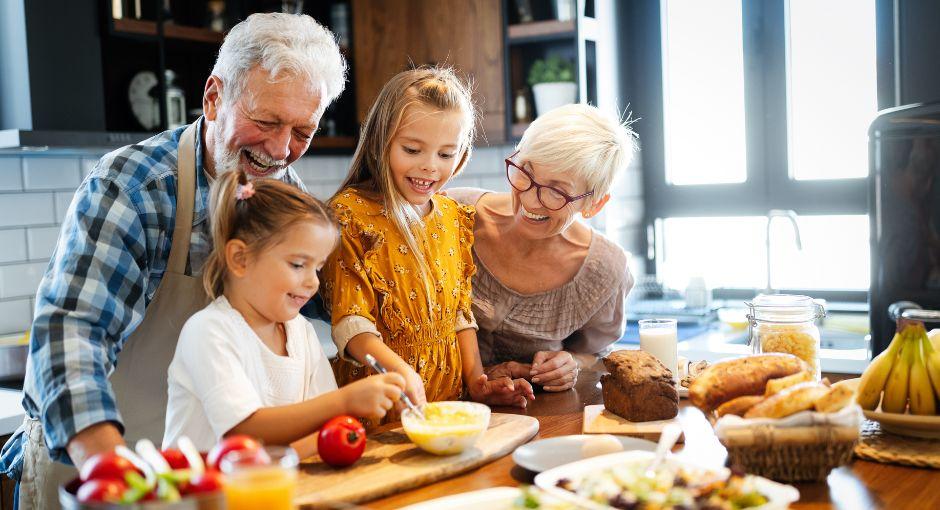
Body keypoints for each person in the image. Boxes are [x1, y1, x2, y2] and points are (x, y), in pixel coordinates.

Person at [0, 12, 346, 509]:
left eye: (302, 131)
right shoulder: (136, 187)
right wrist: (109, 472)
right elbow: (71, 333)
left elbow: (325, 303)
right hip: (97, 467)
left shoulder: (283, 198)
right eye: (267, 121)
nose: (280, 149)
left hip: (199, 483)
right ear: (213, 97)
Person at [321, 67, 534, 424]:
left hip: (449, 409)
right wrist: (403, 373)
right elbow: (352, 326)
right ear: (380, 139)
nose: (429, 167)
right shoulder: (349, 214)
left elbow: (458, 315)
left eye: (446, 154)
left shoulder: (454, 217)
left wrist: (477, 382)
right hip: (381, 413)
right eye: (412, 149)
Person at [163, 171, 404, 458]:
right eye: (298, 265)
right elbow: (242, 433)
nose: (313, 282)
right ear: (240, 258)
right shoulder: (208, 331)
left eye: (317, 268)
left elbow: (319, 430)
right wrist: (346, 401)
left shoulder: (300, 331)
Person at [446, 104, 637, 392]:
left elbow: (595, 354)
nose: (531, 201)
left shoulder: (605, 270)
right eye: (525, 171)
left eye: (556, 190)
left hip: (539, 423)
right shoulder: (451, 215)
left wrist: (569, 363)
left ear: (593, 204)